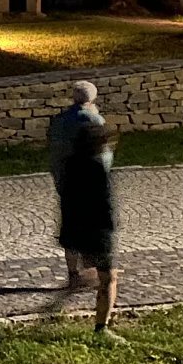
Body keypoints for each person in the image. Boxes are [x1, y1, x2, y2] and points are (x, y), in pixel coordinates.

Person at [56, 119, 122, 340]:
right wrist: (110, 231)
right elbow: (105, 205)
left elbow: (66, 201)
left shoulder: (69, 164)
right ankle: (102, 328)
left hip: (76, 229)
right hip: (97, 232)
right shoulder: (97, 169)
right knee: (109, 278)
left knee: (95, 274)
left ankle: (78, 285)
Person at [47, 80, 109, 289]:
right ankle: (92, 270)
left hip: (66, 180)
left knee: (71, 228)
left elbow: (54, 152)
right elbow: (102, 154)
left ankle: (73, 272)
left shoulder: (60, 121)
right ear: (93, 98)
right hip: (89, 182)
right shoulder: (94, 120)